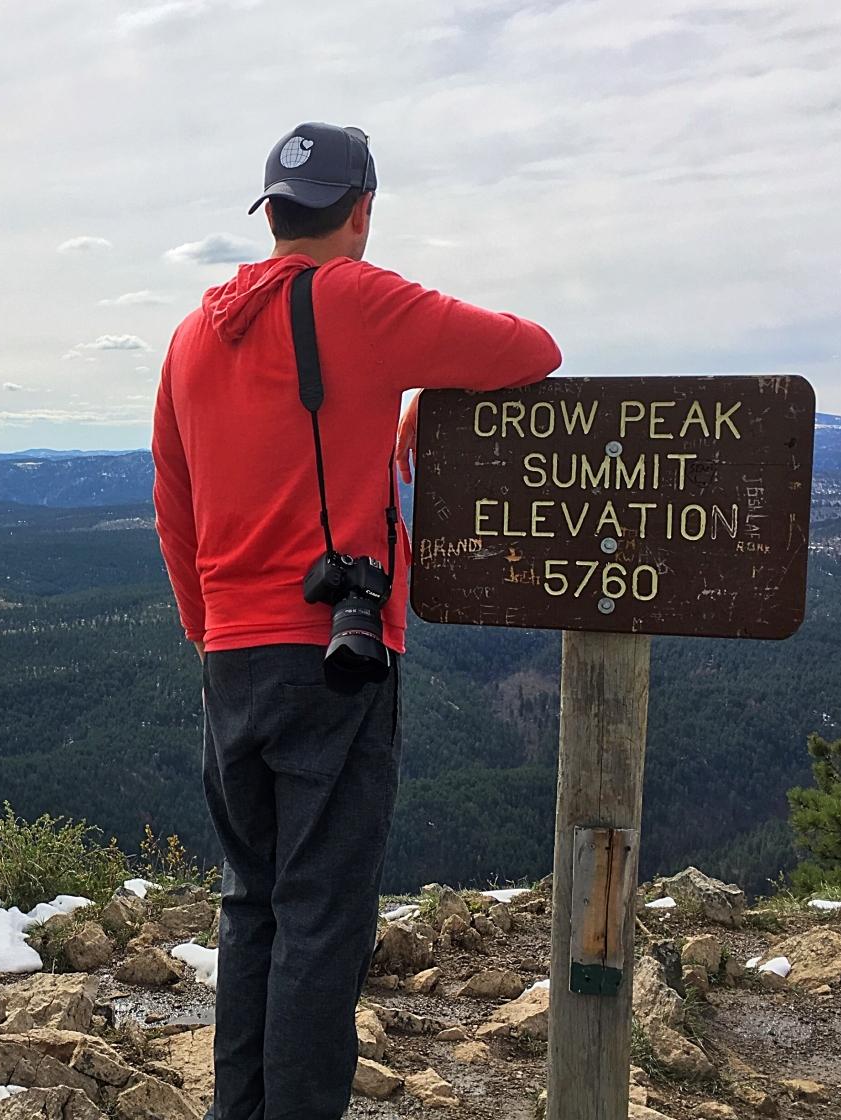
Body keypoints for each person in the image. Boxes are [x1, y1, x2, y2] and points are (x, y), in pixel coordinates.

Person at [151, 122, 561, 1120]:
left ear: (271, 212)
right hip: (329, 654)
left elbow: (173, 497)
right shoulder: (357, 299)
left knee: (251, 905)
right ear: (361, 210)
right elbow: (531, 349)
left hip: (229, 661)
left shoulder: (192, 334)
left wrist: (207, 628)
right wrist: (427, 386)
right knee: (322, 918)